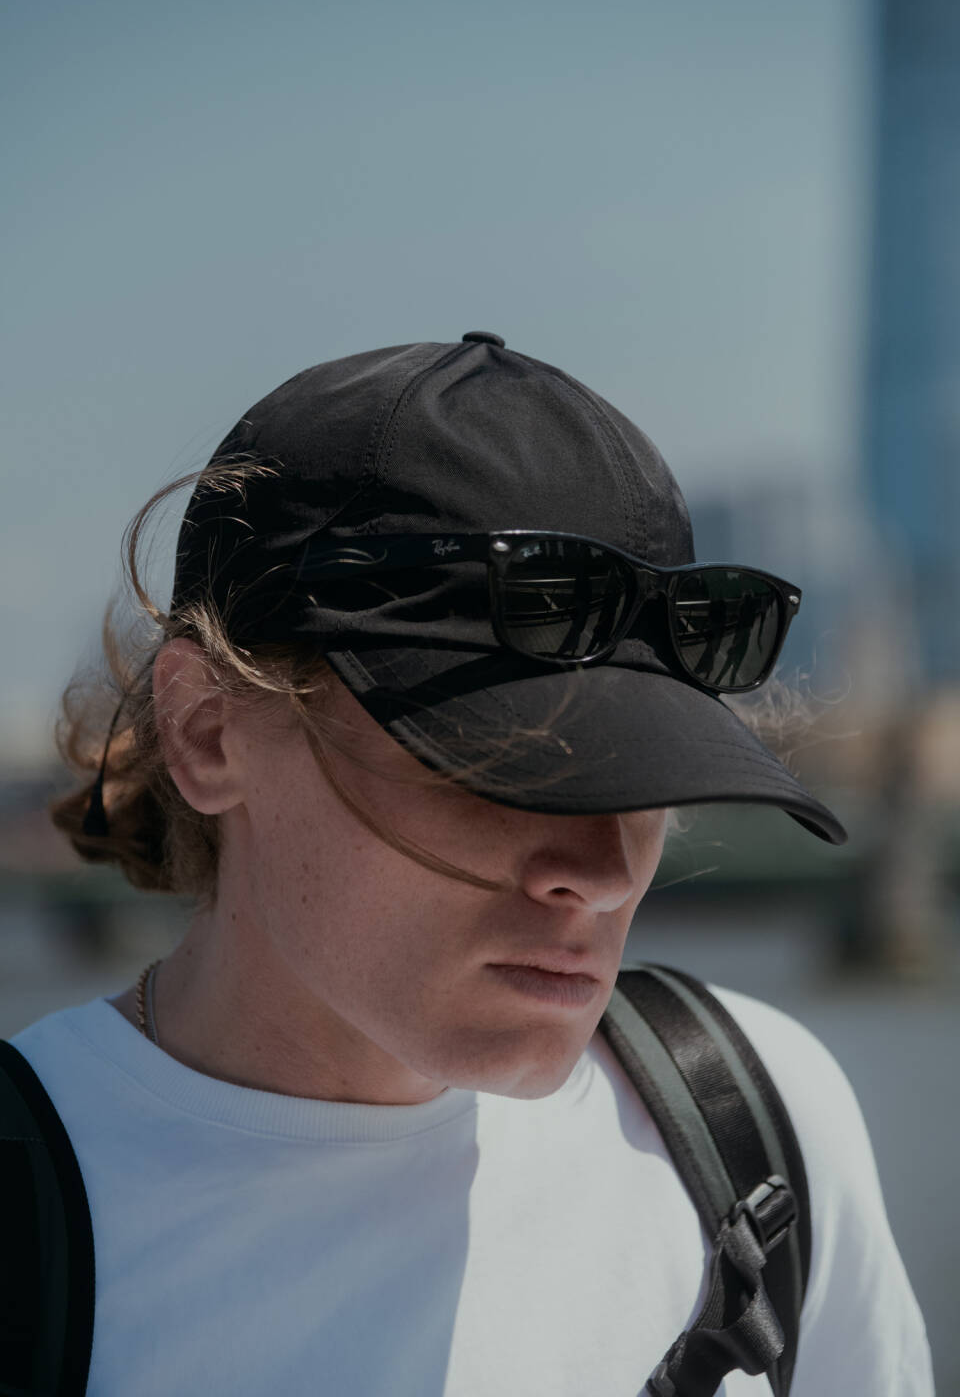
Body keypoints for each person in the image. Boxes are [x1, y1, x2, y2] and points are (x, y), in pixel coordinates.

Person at [13, 331, 932, 1394]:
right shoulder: (32, 1217)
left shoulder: (752, 1130)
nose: (600, 873)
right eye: (492, 767)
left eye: (643, 776)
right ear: (210, 732)